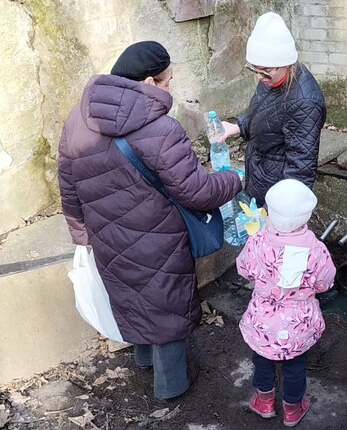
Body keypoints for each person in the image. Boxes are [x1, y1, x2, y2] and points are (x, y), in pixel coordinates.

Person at [58, 41, 242, 401]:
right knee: (165, 303)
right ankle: (172, 386)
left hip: (106, 236)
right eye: (167, 81)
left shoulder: (77, 119)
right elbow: (198, 192)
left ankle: (144, 360)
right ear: (148, 82)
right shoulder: (161, 129)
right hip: (158, 238)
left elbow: (68, 184)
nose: (170, 87)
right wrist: (234, 179)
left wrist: (82, 234)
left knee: (131, 298)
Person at [236, 179, 336, 427]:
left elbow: (244, 269)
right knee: (295, 365)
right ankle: (292, 408)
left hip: (262, 320)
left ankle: (264, 401)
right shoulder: (316, 250)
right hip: (298, 323)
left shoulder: (257, 241)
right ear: (307, 215)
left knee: (261, 358)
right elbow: (325, 282)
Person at [219, 12, 327, 206]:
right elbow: (266, 115)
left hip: (276, 192)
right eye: (255, 69)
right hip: (260, 175)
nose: (259, 76)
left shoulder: (304, 102)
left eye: (265, 71)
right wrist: (237, 127)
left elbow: (301, 170)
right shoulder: (272, 78)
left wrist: (280, 214)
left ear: (285, 63)